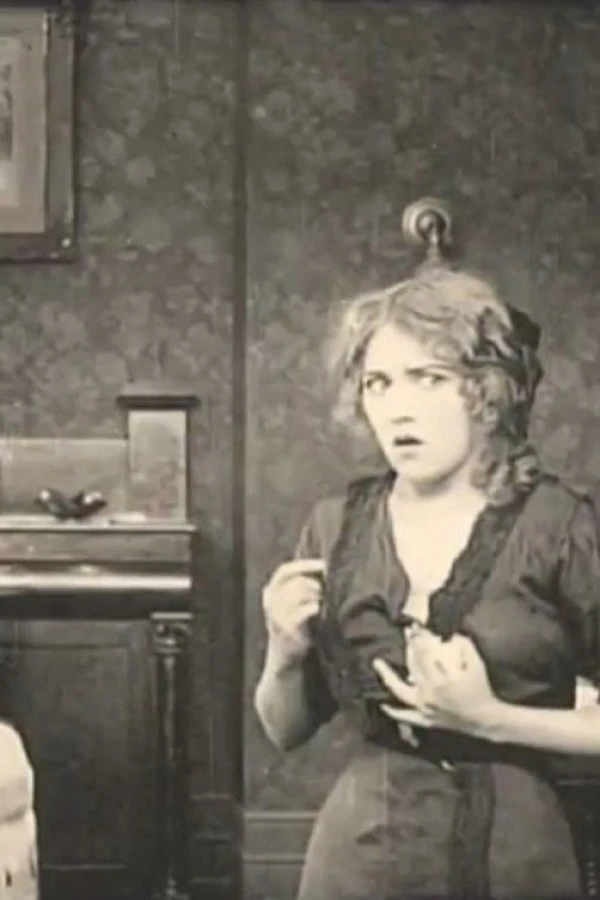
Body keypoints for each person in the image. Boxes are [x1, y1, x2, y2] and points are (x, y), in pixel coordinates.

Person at [253, 265, 600, 900]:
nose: (398, 407)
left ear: (486, 392)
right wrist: (284, 651)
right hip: (361, 857)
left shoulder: (559, 526)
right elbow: (285, 730)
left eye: (429, 378)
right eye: (378, 383)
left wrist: (491, 719)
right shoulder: (336, 527)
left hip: (517, 858)